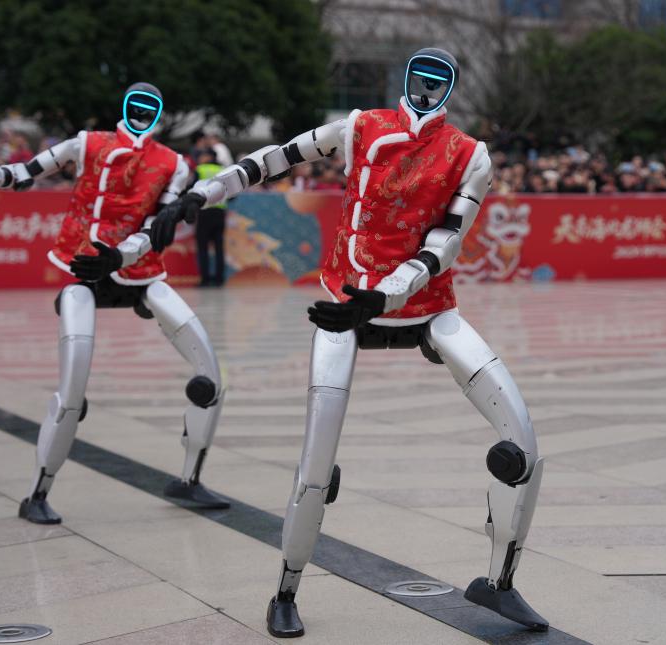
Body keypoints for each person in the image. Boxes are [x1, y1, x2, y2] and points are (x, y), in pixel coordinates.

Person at [151, 47, 548, 638]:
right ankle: (286, 588)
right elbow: (276, 158)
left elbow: (446, 240)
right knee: (316, 462)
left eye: (439, 80)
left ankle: (500, 582)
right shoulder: (360, 126)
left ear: (451, 88)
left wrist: (384, 297)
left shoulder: (469, 153)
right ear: (406, 78)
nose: (426, 88)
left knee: (523, 444)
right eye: (420, 76)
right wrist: (199, 195)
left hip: (426, 305)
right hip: (346, 298)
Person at [0, 82, 230, 523]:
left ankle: (189, 480)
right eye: (137, 105)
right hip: (85, 267)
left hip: (139, 271)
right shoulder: (86, 144)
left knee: (210, 374)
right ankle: (38, 492)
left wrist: (125, 253)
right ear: (125, 106)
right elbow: (25, 172)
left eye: (150, 107)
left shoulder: (171, 163)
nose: (142, 114)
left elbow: (158, 222)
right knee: (72, 388)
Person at [194, 149, 227, 286]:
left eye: (202, 155)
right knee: (219, 248)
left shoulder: (200, 169)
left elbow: (192, 189)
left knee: (203, 248)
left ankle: (205, 279)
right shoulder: (223, 170)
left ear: (208, 156)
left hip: (205, 212)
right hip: (220, 212)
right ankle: (219, 279)